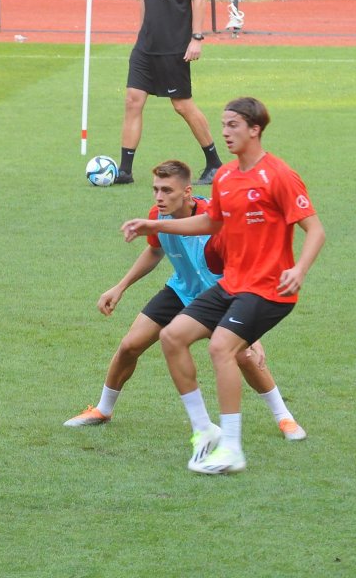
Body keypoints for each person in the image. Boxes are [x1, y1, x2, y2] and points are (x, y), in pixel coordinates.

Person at [122, 97, 325, 474]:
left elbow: (315, 229)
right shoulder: (226, 178)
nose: (225, 132)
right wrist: (154, 225)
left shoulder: (278, 175)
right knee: (172, 336)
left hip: (269, 289)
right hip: (233, 284)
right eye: (224, 124)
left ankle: (232, 448)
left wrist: (299, 269)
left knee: (221, 347)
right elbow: (211, 224)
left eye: (233, 125)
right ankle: (205, 431)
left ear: (255, 129)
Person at [65, 160, 306, 444]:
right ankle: (103, 409)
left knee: (244, 355)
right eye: (155, 189)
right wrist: (120, 287)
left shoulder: (215, 219)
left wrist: (251, 332)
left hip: (222, 293)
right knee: (130, 345)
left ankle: (284, 417)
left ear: (187, 192)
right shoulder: (158, 215)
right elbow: (154, 252)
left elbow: (241, 270)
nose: (159, 196)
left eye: (167, 190)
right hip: (180, 291)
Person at [115, 0, 222, 186]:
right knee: (133, 100)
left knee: (182, 105)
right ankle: (125, 170)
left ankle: (214, 164)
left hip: (174, 47)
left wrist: (196, 38)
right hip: (145, 47)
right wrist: (141, 33)